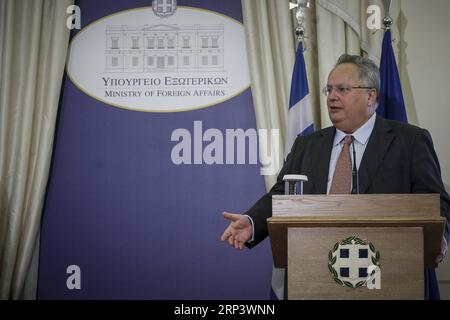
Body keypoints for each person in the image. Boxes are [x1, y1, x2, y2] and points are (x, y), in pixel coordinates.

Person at [220, 54, 449, 297]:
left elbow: (435, 202)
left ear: (370, 95)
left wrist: (439, 240)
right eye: (328, 90)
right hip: (313, 276)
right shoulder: (306, 145)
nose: (332, 97)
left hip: (388, 276)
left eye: (342, 89)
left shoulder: (409, 141)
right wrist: (252, 221)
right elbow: (282, 196)